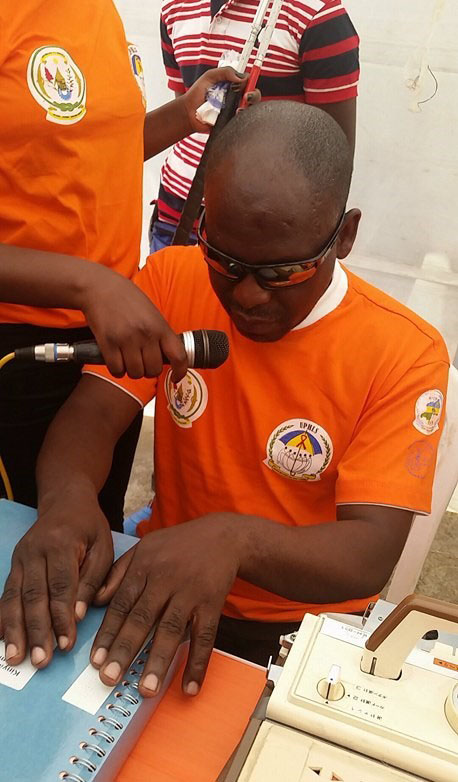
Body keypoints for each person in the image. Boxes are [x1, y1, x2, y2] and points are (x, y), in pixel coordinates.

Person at [0, 103, 449, 697]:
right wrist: (67, 500)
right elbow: (91, 414)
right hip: (160, 571)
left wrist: (233, 539)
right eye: (226, 261)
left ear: (344, 236)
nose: (248, 296)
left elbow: (367, 553)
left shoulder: (405, 352)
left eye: (282, 272)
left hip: (302, 625)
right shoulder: (172, 278)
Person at [0, 0, 248, 529]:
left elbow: (86, 151)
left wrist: (183, 115)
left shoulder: (98, 11)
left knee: (95, 528)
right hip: (18, 352)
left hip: (107, 338)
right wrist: (89, 284)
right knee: (25, 542)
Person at [150, 0, 360, 251]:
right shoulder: (175, 8)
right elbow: (186, 117)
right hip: (173, 217)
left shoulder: (318, 16)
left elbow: (335, 155)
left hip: (259, 233)